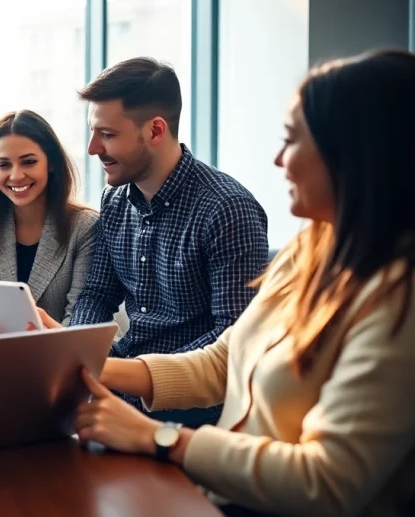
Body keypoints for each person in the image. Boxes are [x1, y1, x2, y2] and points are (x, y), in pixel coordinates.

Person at [73, 50, 415, 517]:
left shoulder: (400, 297)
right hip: (224, 483)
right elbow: (227, 358)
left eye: (291, 141)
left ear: (352, 154)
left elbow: (328, 483)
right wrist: (82, 361)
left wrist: (156, 436)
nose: (278, 160)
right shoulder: (311, 249)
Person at [62, 57, 268, 428]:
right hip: (120, 388)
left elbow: (232, 342)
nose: (93, 149)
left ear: (156, 130)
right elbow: (97, 294)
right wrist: (80, 355)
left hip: (191, 413)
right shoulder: (115, 200)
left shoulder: (227, 210)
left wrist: (122, 378)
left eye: (107, 135)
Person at [0, 110, 98, 322]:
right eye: (4, 164)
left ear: (51, 163)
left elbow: (80, 320)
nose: (16, 175)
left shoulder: (84, 226)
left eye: (28, 162)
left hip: (64, 351)